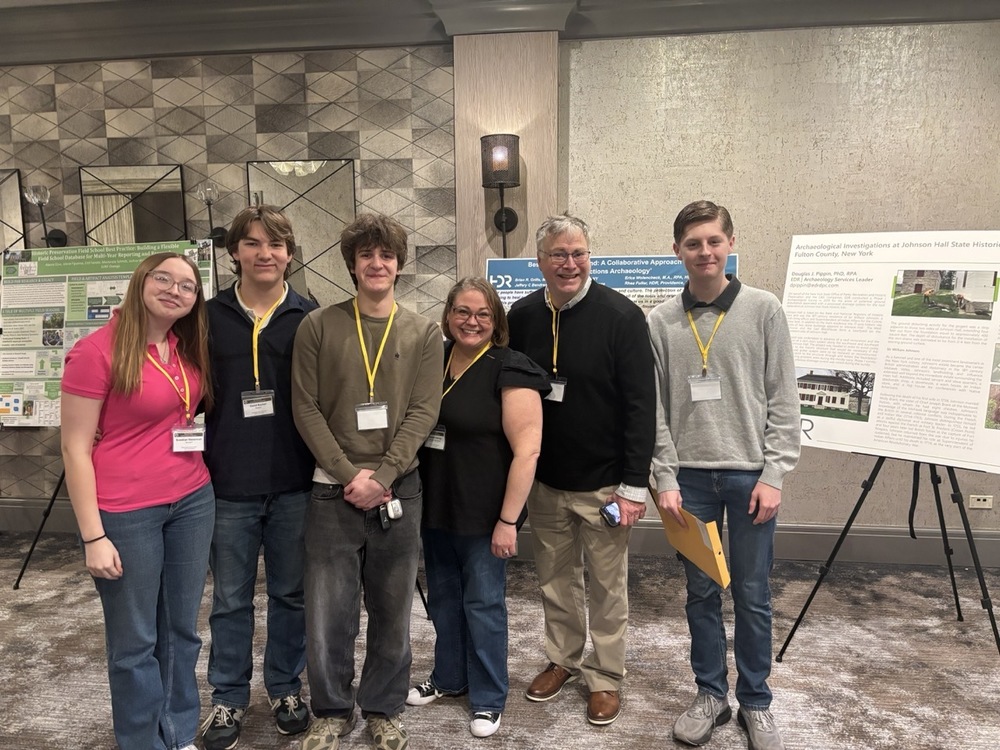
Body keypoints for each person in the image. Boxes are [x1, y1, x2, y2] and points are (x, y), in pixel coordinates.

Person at [649, 200, 800, 750]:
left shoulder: (764, 310)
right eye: (693, 244)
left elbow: (785, 399)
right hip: (689, 481)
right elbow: (656, 411)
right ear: (677, 251)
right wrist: (663, 477)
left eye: (714, 241)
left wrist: (775, 473)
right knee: (700, 593)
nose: (704, 252)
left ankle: (756, 702)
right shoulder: (661, 320)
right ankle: (711, 695)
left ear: (730, 243)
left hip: (750, 478)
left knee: (754, 594)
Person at [291, 213, 443, 750]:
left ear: (399, 265)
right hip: (331, 489)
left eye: (386, 255)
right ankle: (330, 710)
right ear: (352, 264)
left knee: (393, 606)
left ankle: (383, 707)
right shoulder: (318, 325)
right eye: (366, 256)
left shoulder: (425, 331)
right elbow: (304, 407)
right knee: (329, 611)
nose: (376, 264)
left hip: (399, 490)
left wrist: (381, 476)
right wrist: (347, 473)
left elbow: (424, 411)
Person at [61, 252, 214, 750]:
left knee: (182, 632)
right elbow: (74, 447)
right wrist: (93, 536)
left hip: (192, 498)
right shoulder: (96, 351)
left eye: (187, 286)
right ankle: (141, 741)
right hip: (127, 512)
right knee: (135, 643)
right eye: (163, 279)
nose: (175, 290)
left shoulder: (181, 347)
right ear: (140, 282)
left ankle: (179, 732)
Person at [507, 214, 656, 726]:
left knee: (607, 587)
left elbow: (642, 406)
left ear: (590, 256)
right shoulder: (522, 316)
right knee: (554, 580)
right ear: (540, 261)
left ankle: (606, 676)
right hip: (546, 482)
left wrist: (635, 488)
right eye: (558, 254)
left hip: (606, 485)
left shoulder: (621, 316)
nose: (569, 264)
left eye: (578, 254)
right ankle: (563, 659)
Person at [405, 277, 549, 738]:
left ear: (497, 321)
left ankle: (488, 697)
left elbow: (528, 452)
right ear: (447, 315)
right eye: (463, 311)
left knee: (483, 604)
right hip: (436, 506)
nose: (472, 321)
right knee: (445, 601)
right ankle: (450, 678)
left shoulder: (510, 367)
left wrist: (509, 521)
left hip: (486, 513)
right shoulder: (433, 362)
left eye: (483, 313)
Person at [200, 206, 319, 750]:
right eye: (252, 244)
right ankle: (227, 699)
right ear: (235, 252)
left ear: (290, 252)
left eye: (275, 244)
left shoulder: (309, 315)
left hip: (294, 479)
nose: (264, 253)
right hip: (227, 481)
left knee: (291, 595)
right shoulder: (205, 317)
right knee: (230, 599)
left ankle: (286, 688)